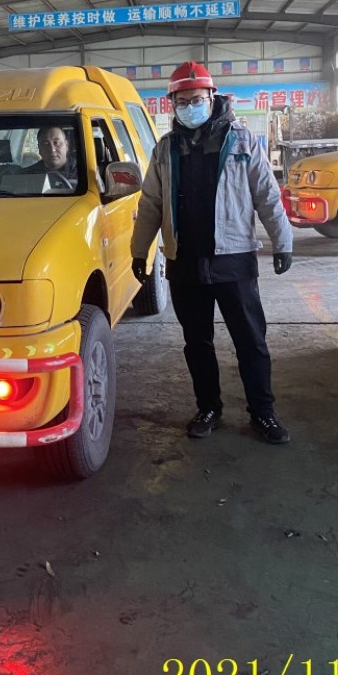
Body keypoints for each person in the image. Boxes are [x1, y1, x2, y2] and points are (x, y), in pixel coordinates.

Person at [130, 62, 294, 445]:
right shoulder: (166, 149)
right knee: (197, 343)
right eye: (182, 101)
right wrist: (140, 251)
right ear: (172, 103)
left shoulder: (242, 141)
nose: (190, 107)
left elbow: (267, 195)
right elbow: (151, 202)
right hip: (184, 262)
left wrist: (282, 241)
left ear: (212, 97)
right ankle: (208, 409)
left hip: (233, 258)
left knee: (250, 341)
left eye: (197, 99)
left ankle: (263, 413)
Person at [22, 124, 77, 190]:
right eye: (45, 144)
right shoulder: (27, 175)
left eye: (56, 143)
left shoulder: (83, 171)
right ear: (39, 148)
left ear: (66, 145)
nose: (52, 149)